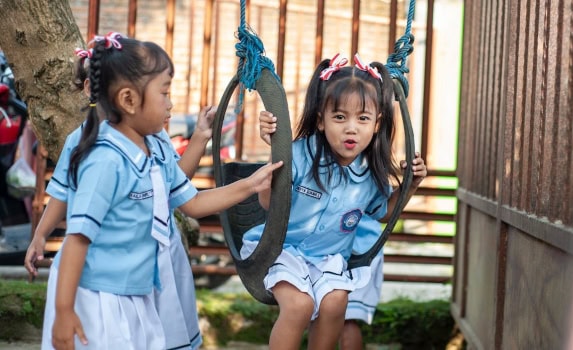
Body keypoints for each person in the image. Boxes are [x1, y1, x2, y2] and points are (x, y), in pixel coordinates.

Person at [40, 33, 282, 350]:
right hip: (99, 301)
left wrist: (252, 184)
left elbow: (193, 202)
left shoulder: (152, 145)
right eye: (164, 93)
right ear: (128, 100)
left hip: (137, 292)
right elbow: (77, 240)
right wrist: (63, 311)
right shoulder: (106, 161)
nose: (171, 103)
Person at [27, 35, 215, 350]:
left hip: (152, 256)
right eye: (164, 92)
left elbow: (178, 186)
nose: (168, 102)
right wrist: (40, 235)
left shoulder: (154, 137)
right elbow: (63, 196)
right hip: (107, 271)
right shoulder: (90, 148)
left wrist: (200, 138)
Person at [240, 53, 426, 349]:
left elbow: (382, 214)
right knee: (299, 305)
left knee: (336, 301)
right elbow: (267, 204)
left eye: (362, 118)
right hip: (282, 251)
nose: (351, 128)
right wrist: (276, 153)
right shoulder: (299, 154)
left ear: (377, 124)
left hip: (328, 259)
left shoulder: (371, 175)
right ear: (321, 121)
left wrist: (410, 186)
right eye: (339, 117)